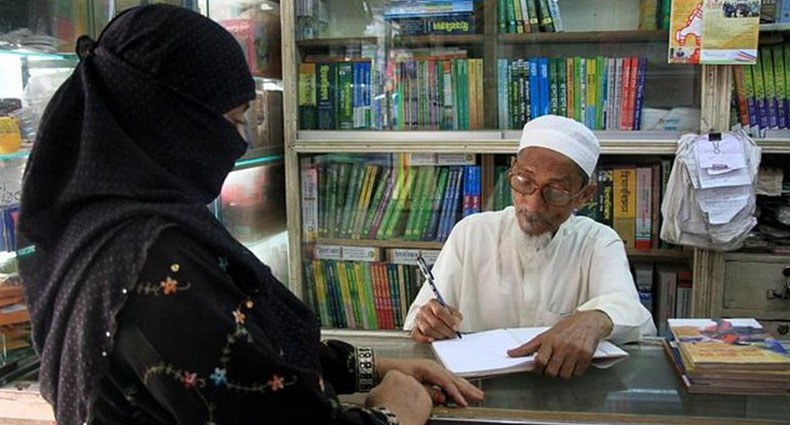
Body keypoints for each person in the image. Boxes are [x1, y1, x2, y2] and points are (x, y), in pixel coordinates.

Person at [18, 6, 482, 425]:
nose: (239, 143)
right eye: (235, 120)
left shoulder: (103, 223)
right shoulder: (154, 261)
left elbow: (246, 353)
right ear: (171, 119)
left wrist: (372, 367)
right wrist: (393, 414)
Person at [404, 115, 656, 379]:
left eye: (555, 191)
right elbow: (416, 323)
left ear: (583, 196)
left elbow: (633, 315)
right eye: (524, 182)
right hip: (475, 388)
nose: (533, 206)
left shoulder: (598, 242)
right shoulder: (472, 233)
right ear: (512, 170)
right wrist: (429, 322)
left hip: (565, 391)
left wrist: (597, 319)